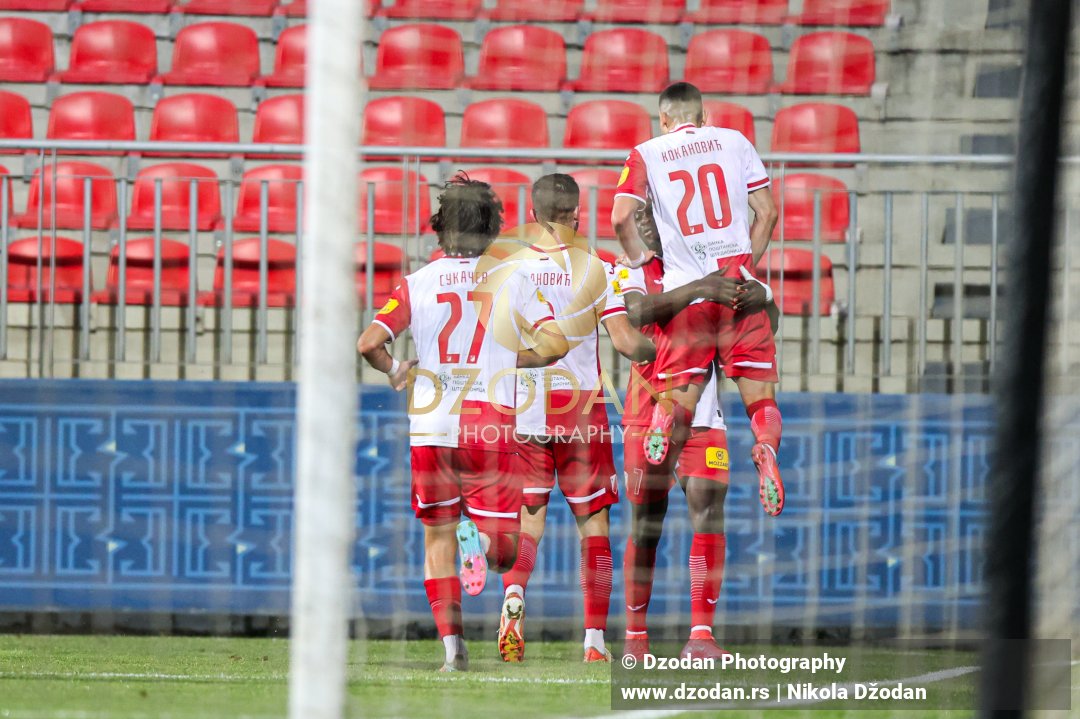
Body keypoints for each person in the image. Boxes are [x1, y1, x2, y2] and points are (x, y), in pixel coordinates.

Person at [357, 175, 568, 672]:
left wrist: (395, 370)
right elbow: (557, 344)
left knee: (436, 540)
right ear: (492, 229)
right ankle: (480, 540)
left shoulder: (417, 283)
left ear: (439, 229)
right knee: (506, 552)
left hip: (431, 427)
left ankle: (453, 652)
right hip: (488, 425)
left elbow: (368, 343)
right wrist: (513, 359)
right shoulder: (512, 278)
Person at [494, 174, 655, 664]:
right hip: (582, 410)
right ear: (577, 214)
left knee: (529, 523)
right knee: (595, 528)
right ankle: (594, 643)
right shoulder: (598, 268)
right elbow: (627, 343)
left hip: (527, 409)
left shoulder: (511, 269)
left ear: (535, 212)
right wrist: (658, 354)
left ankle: (514, 596)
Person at [611, 81, 785, 518]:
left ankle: (666, 418)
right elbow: (768, 212)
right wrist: (745, 266)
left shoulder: (646, 152)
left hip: (688, 294)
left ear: (664, 120)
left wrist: (639, 257)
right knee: (762, 401)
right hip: (738, 289)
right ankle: (765, 448)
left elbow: (620, 218)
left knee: (679, 396)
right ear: (704, 116)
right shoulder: (735, 141)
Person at [617, 199, 776, 660]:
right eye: (639, 219)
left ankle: (701, 637)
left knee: (708, 519)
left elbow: (761, 320)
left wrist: (759, 296)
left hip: (703, 418)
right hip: (645, 414)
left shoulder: (717, 268)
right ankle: (636, 639)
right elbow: (638, 313)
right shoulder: (631, 270)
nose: (644, 226)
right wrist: (704, 288)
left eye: (651, 217)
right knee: (647, 526)